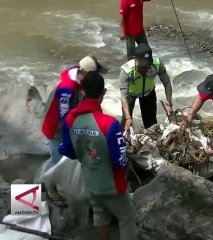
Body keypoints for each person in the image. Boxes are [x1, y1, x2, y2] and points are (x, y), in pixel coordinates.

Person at [59, 72, 137, 240]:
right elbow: (120, 160)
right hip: (112, 184)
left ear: (82, 92)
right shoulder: (109, 124)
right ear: (104, 93)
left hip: (90, 180)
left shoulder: (70, 120)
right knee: (127, 217)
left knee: (100, 215)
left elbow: (68, 151)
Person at [41, 56, 108, 207]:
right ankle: (51, 190)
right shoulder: (67, 89)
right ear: (84, 73)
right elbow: (65, 119)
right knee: (57, 160)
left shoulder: (78, 78)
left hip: (66, 124)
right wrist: (67, 143)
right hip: (56, 128)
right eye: (95, 74)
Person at [119, 43, 173, 131]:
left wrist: (168, 103)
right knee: (125, 123)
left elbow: (167, 83)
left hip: (149, 93)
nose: (146, 67)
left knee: (151, 125)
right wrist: (128, 118)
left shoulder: (157, 64)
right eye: (143, 64)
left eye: (148, 64)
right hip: (131, 94)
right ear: (134, 58)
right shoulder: (126, 70)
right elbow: (123, 96)